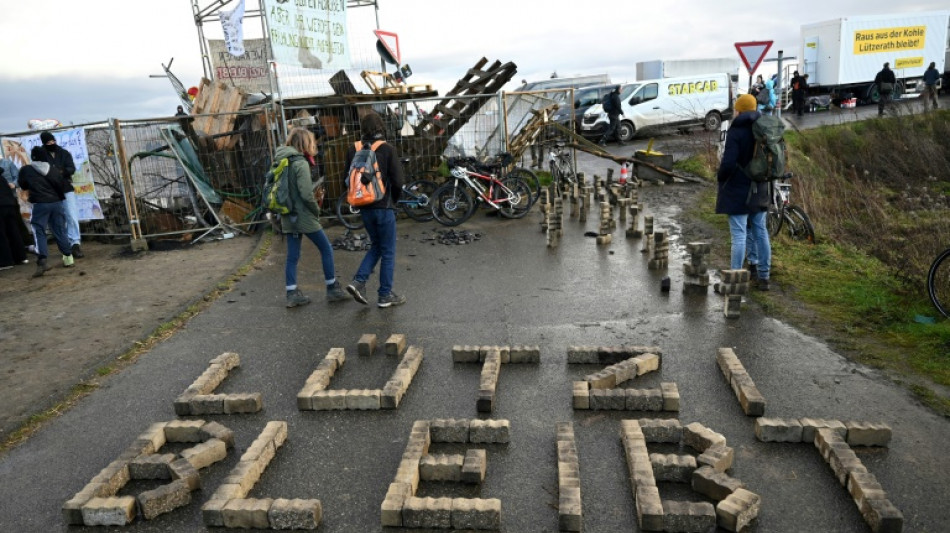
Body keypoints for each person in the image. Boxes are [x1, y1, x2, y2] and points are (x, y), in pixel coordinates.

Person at [344, 111, 406, 308]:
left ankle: (358, 282)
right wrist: (393, 202)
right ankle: (384, 295)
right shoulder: (387, 149)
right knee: (388, 251)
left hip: (364, 206)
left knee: (377, 245)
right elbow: (398, 181)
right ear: (382, 127)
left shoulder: (352, 149)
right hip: (383, 206)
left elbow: (345, 180)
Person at [278, 128, 346, 308]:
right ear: (305, 143)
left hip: (287, 214)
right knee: (326, 249)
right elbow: (306, 194)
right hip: (303, 216)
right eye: (311, 141)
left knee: (292, 256)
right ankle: (332, 289)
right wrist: (316, 210)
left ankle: (291, 293)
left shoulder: (282, 159)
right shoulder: (300, 163)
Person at [716, 94, 771, 290]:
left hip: (739, 188)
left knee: (739, 234)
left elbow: (728, 163)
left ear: (739, 110)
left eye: (736, 108)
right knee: (760, 231)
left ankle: (735, 279)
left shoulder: (736, 131)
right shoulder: (764, 127)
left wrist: (721, 177)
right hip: (761, 186)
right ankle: (763, 277)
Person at [18, 146, 74, 277]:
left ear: (33, 157)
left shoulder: (26, 170)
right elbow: (61, 185)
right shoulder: (53, 170)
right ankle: (68, 257)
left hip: (40, 204)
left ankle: (42, 260)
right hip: (56, 203)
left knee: (39, 230)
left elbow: (23, 185)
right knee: (60, 229)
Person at [39, 132, 82, 258]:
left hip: (66, 188)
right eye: (48, 143)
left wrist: (61, 172)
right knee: (57, 219)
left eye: (52, 141)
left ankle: (75, 243)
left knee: (71, 216)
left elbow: (71, 168)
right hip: (50, 191)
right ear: (44, 143)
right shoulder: (41, 154)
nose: (51, 144)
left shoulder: (64, 153)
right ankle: (65, 246)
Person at [0, 166, 28, 270]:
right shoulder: (2, 178)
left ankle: (5, 261)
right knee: (14, 232)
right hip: (10, 206)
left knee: (1, 235)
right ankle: (20, 257)